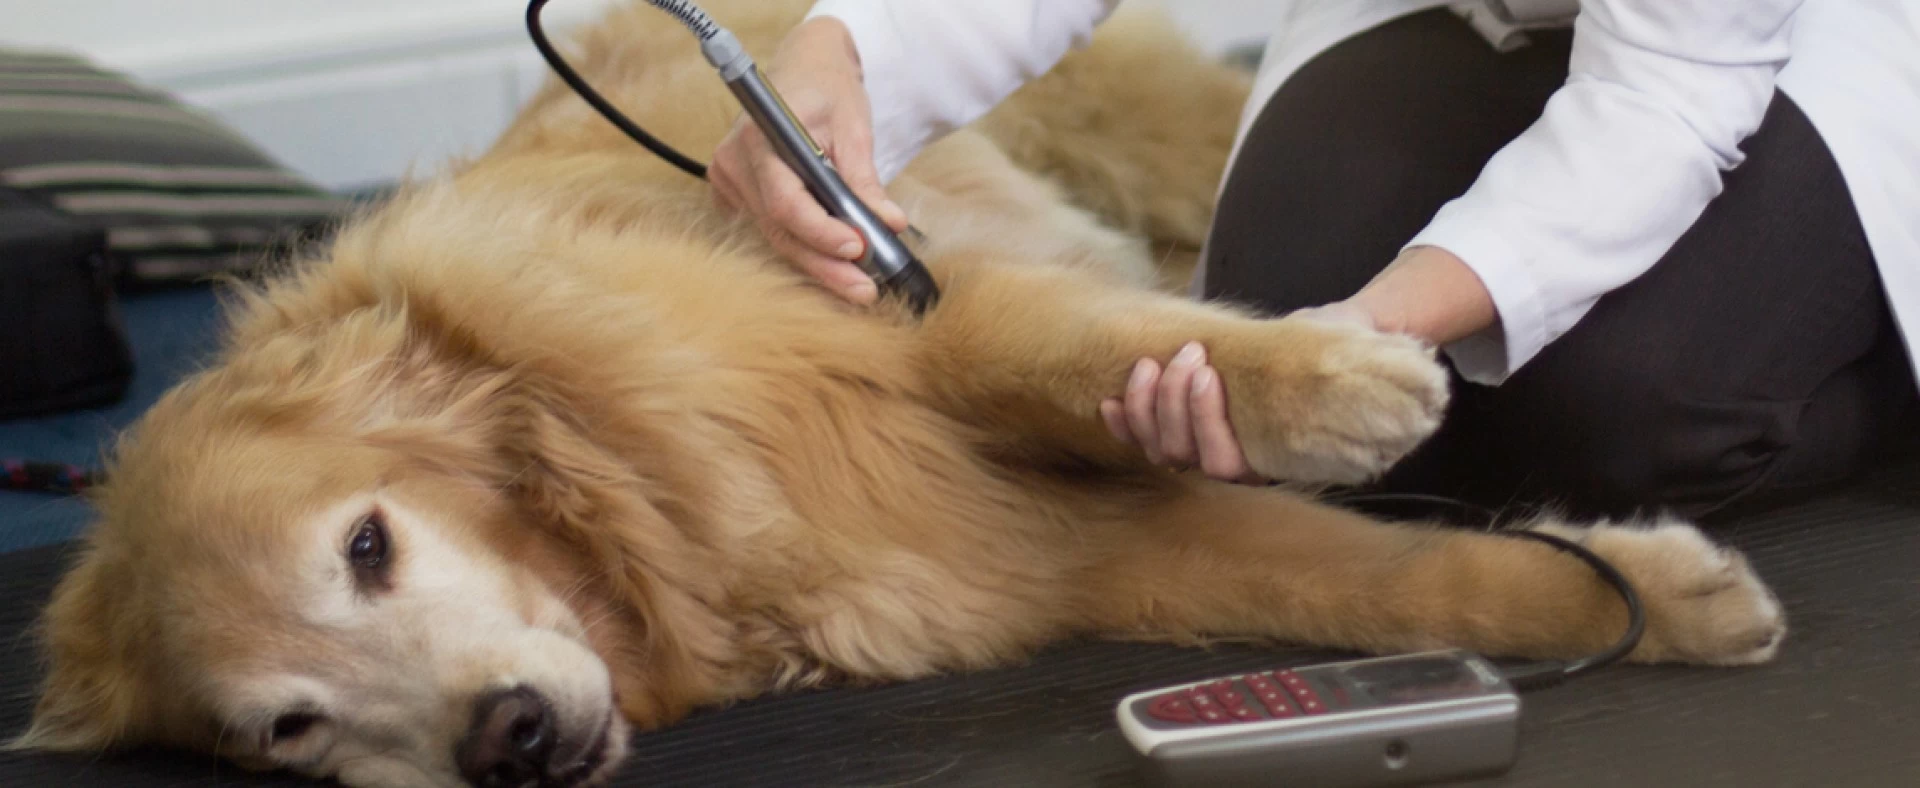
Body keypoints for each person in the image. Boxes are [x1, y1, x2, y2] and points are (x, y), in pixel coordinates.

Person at [709, 0, 1920, 520]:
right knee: (1271, 349)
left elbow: (1666, 92)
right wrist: (840, 58)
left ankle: (1875, 366)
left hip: (1765, 41)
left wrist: (1372, 331)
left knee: (1623, 413)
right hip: (1444, 13)